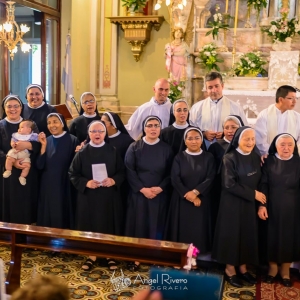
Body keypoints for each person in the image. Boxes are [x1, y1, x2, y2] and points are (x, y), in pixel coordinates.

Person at [212, 126, 266, 288]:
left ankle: (243, 268)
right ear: (238, 140)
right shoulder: (229, 158)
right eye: (246, 139)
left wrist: (260, 201)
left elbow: (262, 180)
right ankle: (230, 269)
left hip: (249, 205)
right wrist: (253, 194)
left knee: (246, 236)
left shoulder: (256, 157)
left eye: (252, 139)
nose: (250, 142)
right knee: (232, 236)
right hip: (232, 205)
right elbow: (229, 184)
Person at [69, 120, 125, 271]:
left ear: (105, 133)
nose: (97, 134)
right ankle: (91, 255)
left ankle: (109, 255)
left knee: (109, 224)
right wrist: (86, 183)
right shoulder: (82, 153)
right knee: (89, 225)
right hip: (89, 197)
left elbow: (122, 172)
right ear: (89, 134)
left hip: (109, 197)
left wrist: (113, 180)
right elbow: (72, 173)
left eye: (100, 131)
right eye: (94, 131)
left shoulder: (112, 151)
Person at [125, 116, 173, 271]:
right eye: (150, 125)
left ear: (160, 128)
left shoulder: (167, 149)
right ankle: (136, 258)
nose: (153, 129)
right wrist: (142, 189)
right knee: (138, 226)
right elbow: (129, 170)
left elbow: (171, 172)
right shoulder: (134, 147)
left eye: (156, 126)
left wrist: (161, 187)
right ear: (144, 128)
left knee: (157, 227)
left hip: (159, 195)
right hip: (139, 194)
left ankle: (155, 257)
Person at [165, 127, 215, 256]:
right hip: (182, 200)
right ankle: (181, 255)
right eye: (190, 138)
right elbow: (175, 179)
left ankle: (196, 256)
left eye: (197, 138)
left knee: (198, 230)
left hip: (202, 200)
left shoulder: (208, 157)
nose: (194, 141)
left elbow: (210, 177)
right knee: (183, 229)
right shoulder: (179, 157)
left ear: (202, 140)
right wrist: (189, 195)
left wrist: (196, 192)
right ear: (185, 141)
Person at [258, 133, 300, 287]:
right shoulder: (269, 162)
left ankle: (285, 271)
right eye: (282, 144)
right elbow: (263, 184)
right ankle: (272, 269)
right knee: (272, 237)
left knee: (290, 239)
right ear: (275, 146)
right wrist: (262, 205)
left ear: (294, 146)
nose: (286, 148)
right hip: (272, 206)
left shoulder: (298, 162)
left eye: (290, 144)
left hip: (293, 208)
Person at [0, 95, 40, 224]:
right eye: (9, 106)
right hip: (7, 171)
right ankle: (7, 237)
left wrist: (28, 145)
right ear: (4, 108)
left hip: (26, 170)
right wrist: (11, 160)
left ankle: (26, 236)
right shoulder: (1, 125)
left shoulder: (30, 124)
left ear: (21, 108)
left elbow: (39, 144)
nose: (13, 109)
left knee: (25, 204)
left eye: (16, 106)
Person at [37, 113, 79, 229]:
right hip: (47, 185)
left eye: (55, 121)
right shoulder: (47, 140)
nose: (52, 125)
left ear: (62, 123)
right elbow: (39, 166)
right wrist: (43, 147)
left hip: (64, 183)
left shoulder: (72, 140)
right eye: (49, 123)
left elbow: (75, 166)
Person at [189, 72, 247, 149]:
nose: (214, 90)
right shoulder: (197, 108)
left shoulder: (235, 107)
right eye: (210, 87)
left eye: (217, 86)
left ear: (222, 86)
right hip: (204, 149)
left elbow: (244, 130)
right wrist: (203, 134)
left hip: (227, 150)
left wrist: (227, 134)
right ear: (206, 89)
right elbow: (191, 128)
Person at [208, 115, 244, 238]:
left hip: (241, 190)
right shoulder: (215, 146)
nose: (230, 131)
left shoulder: (246, 145)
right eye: (226, 127)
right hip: (220, 189)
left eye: (233, 127)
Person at [255, 85, 300, 157]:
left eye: (296, 98)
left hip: (291, 158)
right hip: (270, 157)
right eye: (291, 98)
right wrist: (273, 154)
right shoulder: (264, 115)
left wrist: (289, 153)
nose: (295, 101)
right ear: (281, 99)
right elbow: (260, 139)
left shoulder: (297, 117)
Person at [3, 120, 39, 185]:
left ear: (29, 129)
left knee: (27, 166)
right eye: (19, 127)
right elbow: (12, 141)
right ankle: (8, 170)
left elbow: (39, 143)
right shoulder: (16, 135)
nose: (19, 129)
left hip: (25, 154)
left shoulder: (33, 135)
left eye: (21, 127)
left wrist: (29, 144)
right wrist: (13, 144)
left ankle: (22, 177)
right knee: (9, 158)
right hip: (15, 151)